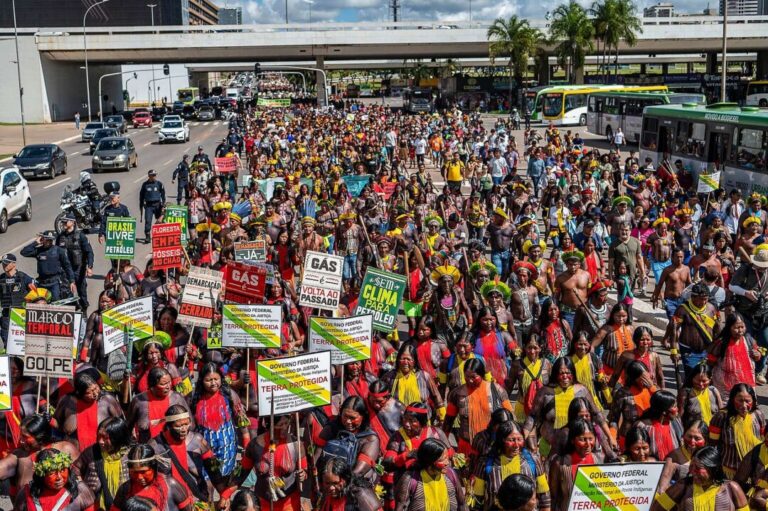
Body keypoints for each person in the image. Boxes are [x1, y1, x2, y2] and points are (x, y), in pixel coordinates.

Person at [523, 358, 612, 457]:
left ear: (573, 373)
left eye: (568, 373)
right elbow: (532, 416)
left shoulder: (582, 390)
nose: (565, 376)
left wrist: (610, 436)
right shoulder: (544, 392)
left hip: (578, 448)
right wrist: (523, 437)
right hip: (549, 447)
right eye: (561, 373)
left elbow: (596, 414)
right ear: (555, 374)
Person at [470, 421, 551, 511]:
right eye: (511, 440)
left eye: (519, 439)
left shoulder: (533, 461)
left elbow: (544, 497)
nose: (516, 445)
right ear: (501, 440)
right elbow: (476, 500)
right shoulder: (485, 463)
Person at [444, 358, 513, 457]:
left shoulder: (497, 390)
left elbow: (510, 418)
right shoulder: (457, 394)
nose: (470, 380)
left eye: (474, 377)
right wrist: (445, 445)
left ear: (482, 374)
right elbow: (448, 421)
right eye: (467, 376)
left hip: (492, 447)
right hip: (467, 448)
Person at [651, 447, 749, 511]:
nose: (692, 471)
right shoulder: (682, 486)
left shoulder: (732, 488)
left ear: (713, 469)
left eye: (698, 468)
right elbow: (656, 509)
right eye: (691, 466)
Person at [52, 371, 123, 452]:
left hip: (102, 454)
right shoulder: (67, 401)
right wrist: (49, 420)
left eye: (96, 388)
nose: (95, 394)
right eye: (89, 392)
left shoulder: (107, 400)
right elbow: (56, 423)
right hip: (74, 454)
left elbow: (121, 425)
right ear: (79, 393)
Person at [109, 444, 193, 511]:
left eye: (143, 472)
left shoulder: (171, 485)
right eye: (135, 472)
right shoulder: (125, 489)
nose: (139, 477)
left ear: (154, 467)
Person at [728, 243, 768, 384]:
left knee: (765, 342)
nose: (762, 268)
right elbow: (731, 286)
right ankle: (744, 369)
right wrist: (746, 293)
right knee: (746, 342)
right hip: (745, 312)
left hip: (764, 313)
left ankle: (758, 370)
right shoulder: (745, 269)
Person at [316, 396, 381, 482]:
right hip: (327, 480)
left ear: (363, 416)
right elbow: (317, 455)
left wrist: (339, 483)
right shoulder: (331, 428)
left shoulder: (370, 439)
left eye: (353, 418)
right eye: (345, 416)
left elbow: (358, 472)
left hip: (353, 483)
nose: (348, 421)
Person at [709, 383, 766, 479]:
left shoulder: (758, 415)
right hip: (729, 472)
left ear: (753, 400)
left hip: (753, 472)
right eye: (740, 401)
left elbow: (764, 442)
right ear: (732, 400)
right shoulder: (721, 417)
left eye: (747, 401)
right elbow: (712, 445)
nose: (744, 405)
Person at [548, 419, 607, 511]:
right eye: (582, 439)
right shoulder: (560, 464)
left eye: (591, 439)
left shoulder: (600, 460)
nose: (588, 444)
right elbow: (553, 496)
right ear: (572, 440)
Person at [394, 439, 466, 511]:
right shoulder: (410, 479)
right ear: (430, 461)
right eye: (443, 459)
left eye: (447, 458)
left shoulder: (450, 474)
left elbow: (462, 504)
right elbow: (400, 507)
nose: (447, 463)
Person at [13, 448, 96, 511]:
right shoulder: (26, 493)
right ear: (41, 475)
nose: (59, 477)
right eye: (52, 473)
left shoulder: (81, 491)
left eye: (62, 470)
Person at [707, 312, 761, 399]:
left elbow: (757, 356)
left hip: (747, 384)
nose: (740, 330)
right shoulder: (721, 343)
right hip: (725, 388)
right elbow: (710, 361)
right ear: (729, 328)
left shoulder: (748, 339)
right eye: (736, 328)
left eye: (742, 327)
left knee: (746, 404)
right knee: (728, 405)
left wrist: (757, 355)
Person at [20, 230, 76, 302]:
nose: (48, 241)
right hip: (42, 282)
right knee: (41, 302)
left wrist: (72, 281)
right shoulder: (38, 250)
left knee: (55, 302)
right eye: (47, 239)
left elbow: (67, 266)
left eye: (50, 240)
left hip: (55, 282)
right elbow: (24, 252)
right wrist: (35, 243)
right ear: (42, 239)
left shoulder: (59, 251)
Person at [56, 213, 94, 310]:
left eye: (66, 221)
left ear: (73, 222)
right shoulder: (60, 237)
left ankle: (84, 309)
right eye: (63, 221)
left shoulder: (80, 236)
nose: (64, 223)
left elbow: (89, 252)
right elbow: (56, 253)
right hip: (65, 270)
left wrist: (89, 267)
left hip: (78, 269)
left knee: (82, 291)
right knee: (66, 293)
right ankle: (72, 310)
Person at [318, 458, 383, 511]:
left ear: (345, 479)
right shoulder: (329, 493)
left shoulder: (361, 495)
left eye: (335, 483)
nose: (331, 488)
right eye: (327, 483)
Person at [0, 253, 35, 346]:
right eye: (3, 263)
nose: (4, 265)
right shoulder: (1, 278)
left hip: (21, 312)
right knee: (6, 338)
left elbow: (35, 291)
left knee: (22, 340)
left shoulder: (23, 277)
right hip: (6, 313)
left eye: (7, 263)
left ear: (14, 264)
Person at [139, 169, 166, 244]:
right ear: (149, 176)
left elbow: (163, 195)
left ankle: (161, 236)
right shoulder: (145, 185)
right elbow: (141, 196)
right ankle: (147, 236)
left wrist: (163, 205)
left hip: (158, 205)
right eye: (152, 175)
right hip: (149, 206)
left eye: (155, 175)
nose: (154, 177)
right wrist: (141, 206)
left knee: (160, 221)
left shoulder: (159, 184)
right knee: (148, 221)